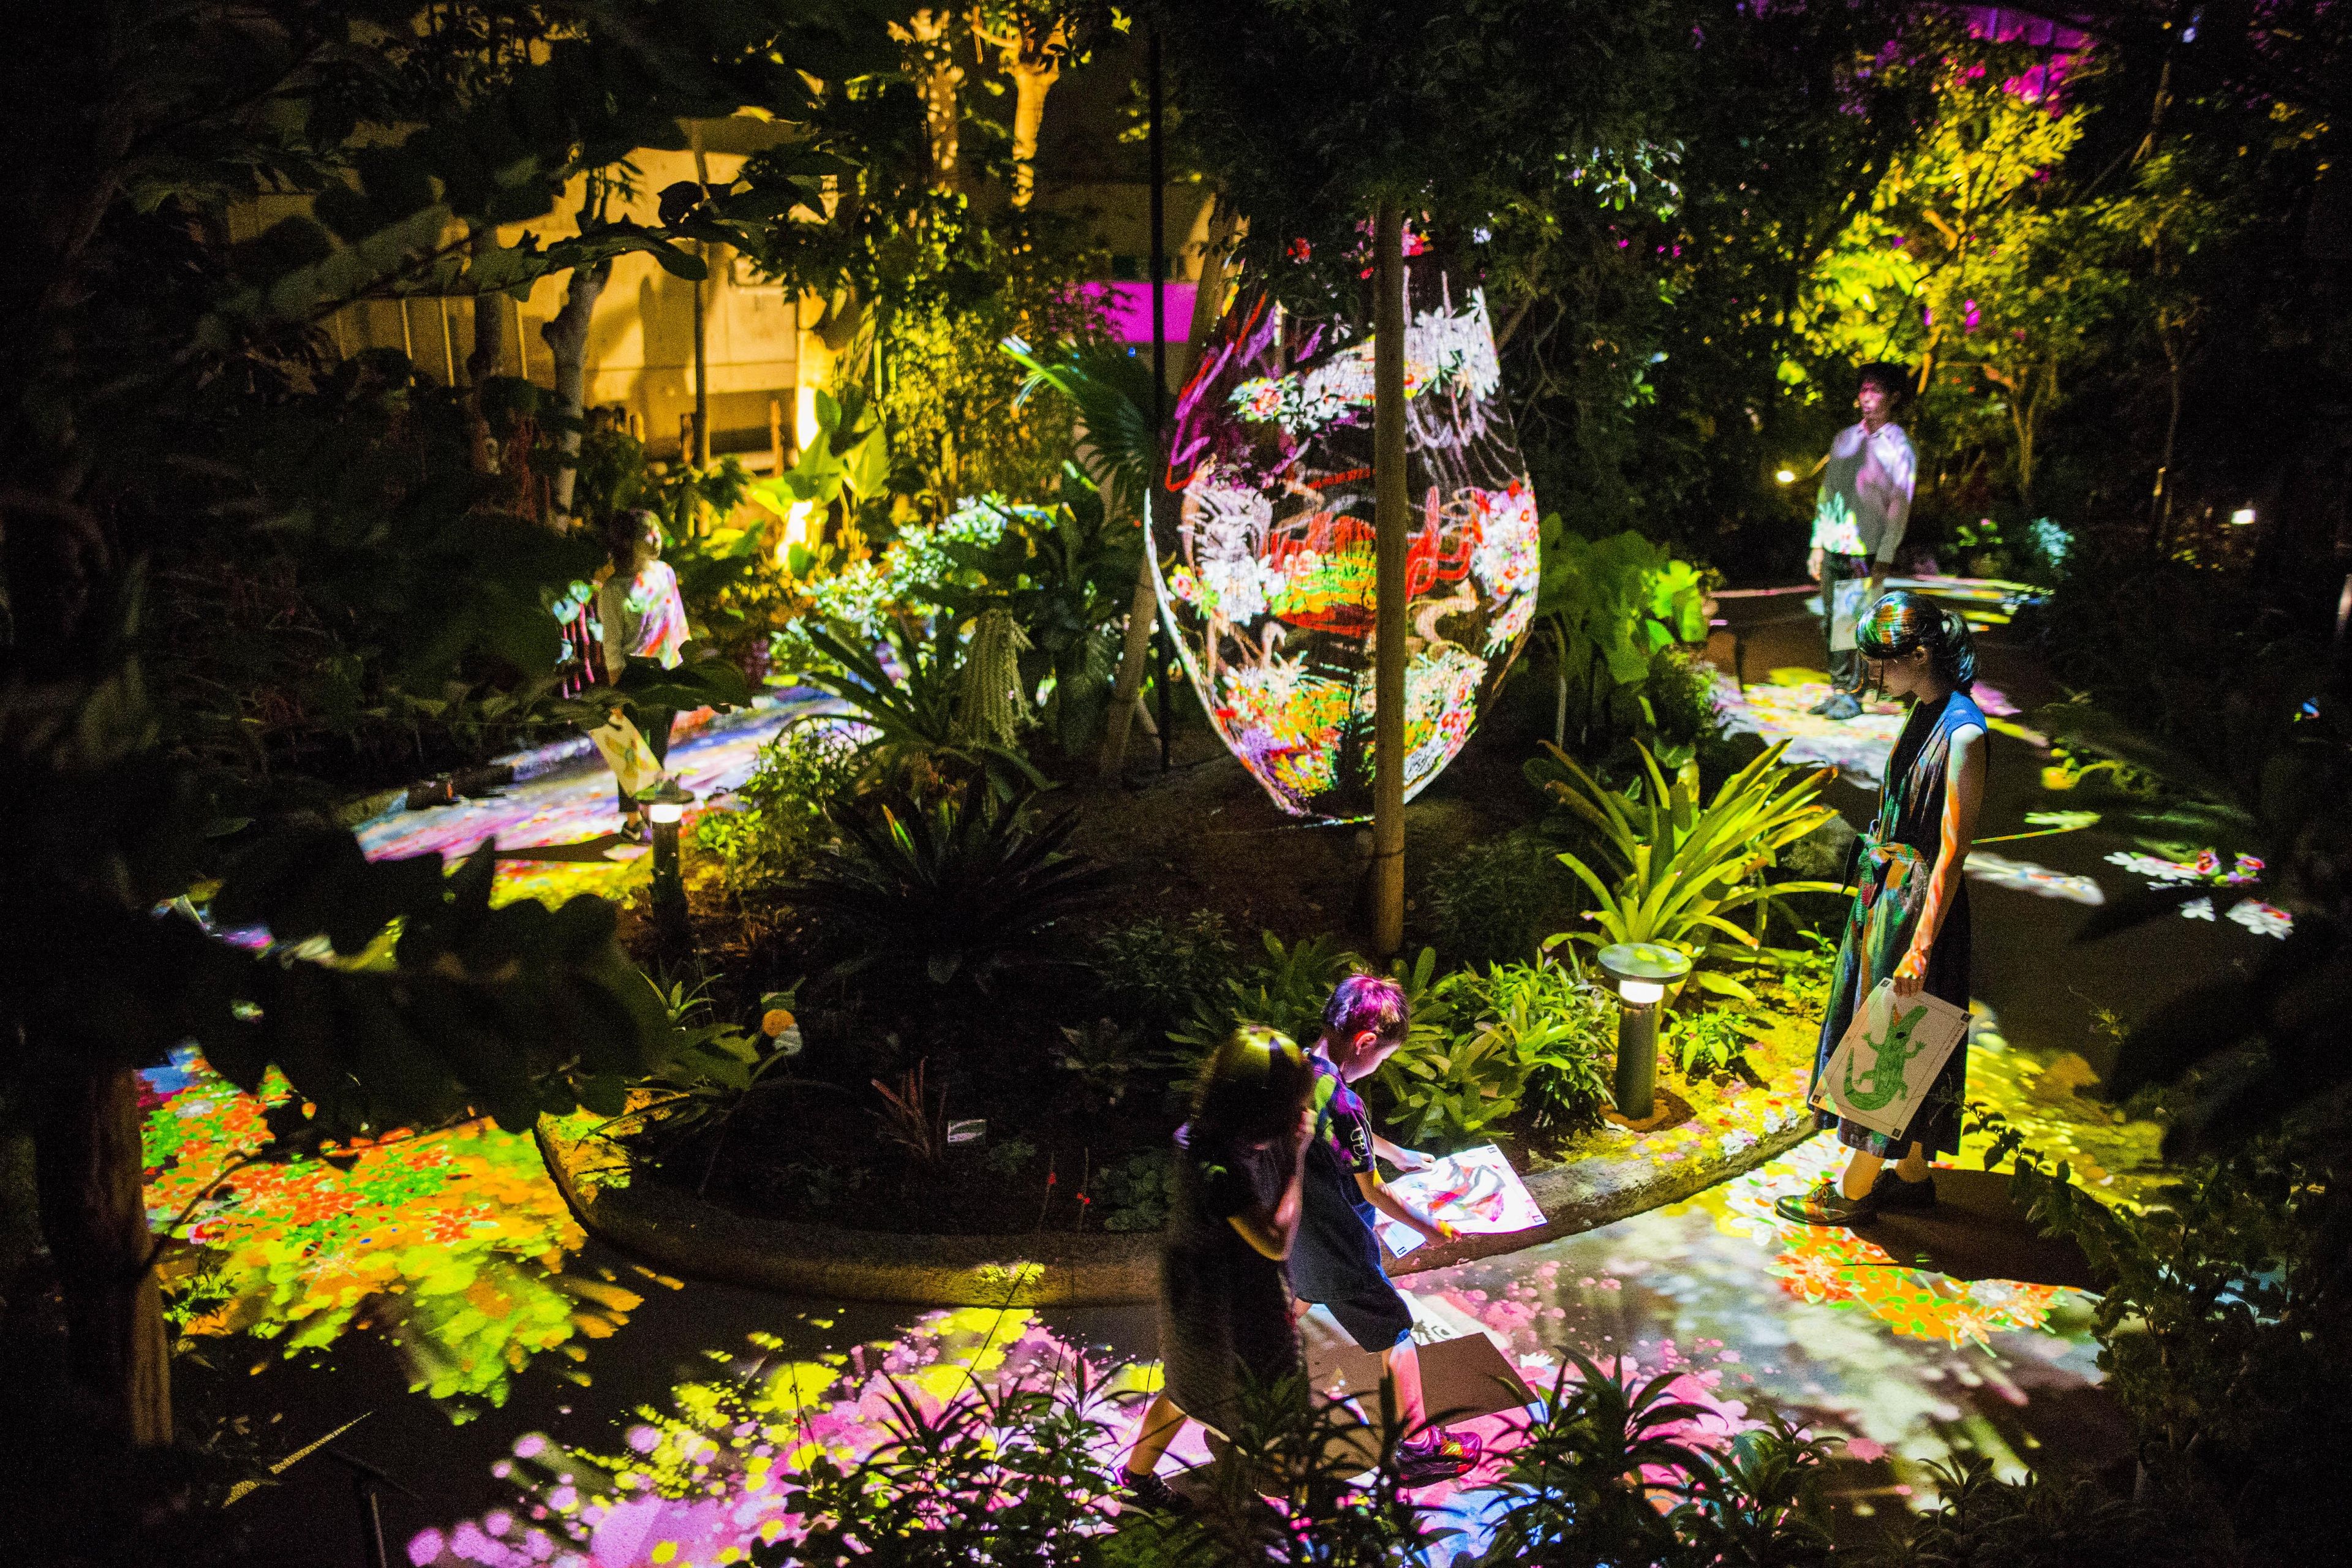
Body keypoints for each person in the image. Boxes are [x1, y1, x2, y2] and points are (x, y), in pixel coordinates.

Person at [1777, 592, 1986, 1226]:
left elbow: (1952, 853)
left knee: (1891, 1037)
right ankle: (1913, 1173)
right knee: (1899, 1029)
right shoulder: (1925, 709)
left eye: (1880, 662)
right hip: (1888, 890)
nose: (1873, 674)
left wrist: (1921, 945)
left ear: (1918, 655)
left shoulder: (1964, 732)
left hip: (1916, 904)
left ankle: (1856, 1189)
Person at [1288, 974, 1482, 1485]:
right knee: (1395, 1331)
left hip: (1296, 1232)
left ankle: (1257, 1376)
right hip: (1338, 1244)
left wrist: (1396, 1153)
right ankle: (1417, 1447)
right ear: (1366, 1042)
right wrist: (1433, 1227)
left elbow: (1343, 1133)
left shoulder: (1298, 1069)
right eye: (1384, 1058)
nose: (1381, 1066)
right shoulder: (1345, 1102)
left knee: (1297, 1297)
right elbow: (1373, 1191)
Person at [1118, 1026, 1319, 1512]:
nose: (1302, 1110)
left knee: (1186, 1387)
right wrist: (1298, 1158)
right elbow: (1273, 1241)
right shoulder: (1214, 1163)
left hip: (1205, 1293)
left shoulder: (1221, 1132)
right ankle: (1289, 1494)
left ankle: (1137, 1475)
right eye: (1294, 1101)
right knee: (1267, 1396)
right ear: (1265, 1106)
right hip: (1224, 1303)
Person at [1806, 363, 1917, 722]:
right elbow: (1828, 492)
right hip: (1834, 543)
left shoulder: (1899, 446)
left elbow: (1900, 504)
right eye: (1864, 389)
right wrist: (1818, 543)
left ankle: (1853, 694)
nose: (1867, 397)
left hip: (1865, 548)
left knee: (1851, 622)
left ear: (1893, 398)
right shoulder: (1845, 439)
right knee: (1831, 622)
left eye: (1876, 390)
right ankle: (1839, 689)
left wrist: (1885, 554)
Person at [596, 508, 690, 836]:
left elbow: (679, 623)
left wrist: (687, 667)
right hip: (633, 676)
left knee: (658, 747)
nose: (657, 538)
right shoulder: (613, 590)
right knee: (630, 749)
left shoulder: (666, 574)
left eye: (657, 531)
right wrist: (617, 694)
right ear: (628, 542)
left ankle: (654, 812)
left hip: (668, 671)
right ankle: (634, 820)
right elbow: (612, 646)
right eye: (648, 533)